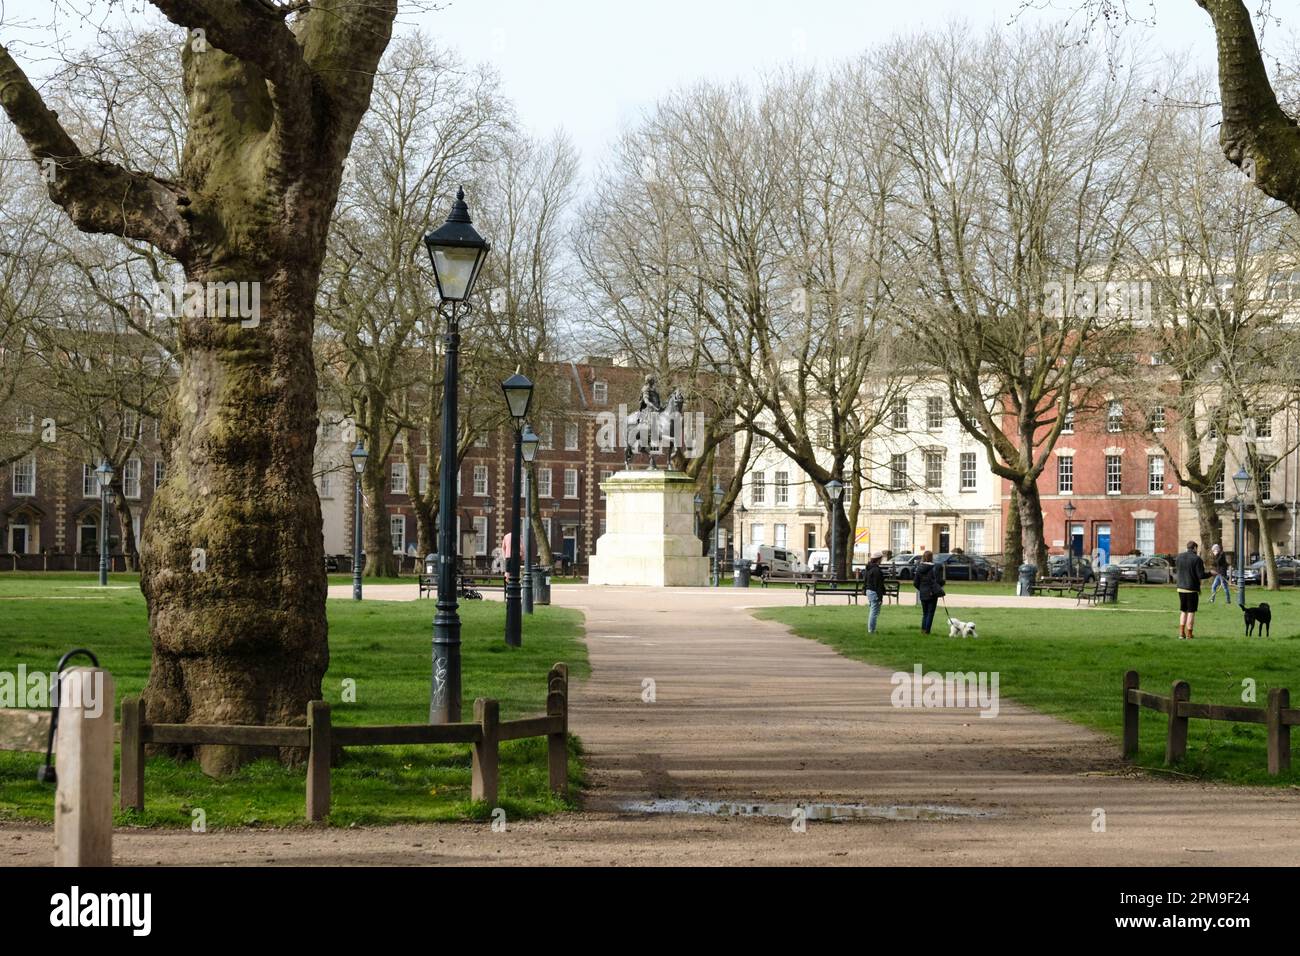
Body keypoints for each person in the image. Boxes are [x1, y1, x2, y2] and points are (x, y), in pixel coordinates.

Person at [1175, 541, 1209, 640]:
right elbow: (1201, 575)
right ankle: (1189, 634)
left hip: (1180, 588)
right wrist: (1211, 573)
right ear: (1194, 548)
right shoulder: (1197, 559)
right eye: (1196, 549)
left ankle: (1181, 633)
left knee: (1183, 611)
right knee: (1191, 611)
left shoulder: (1179, 557)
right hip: (1192, 589)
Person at [913, 550, 942, 635]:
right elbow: (939, 581)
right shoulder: (934, 568)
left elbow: (915, 583)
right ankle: (927, 631)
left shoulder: (919, 568)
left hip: (923, 593)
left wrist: (921, 589)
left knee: (925, 613)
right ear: (931, 557)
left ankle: (923, 629)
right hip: (932, 593)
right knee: (930, 613)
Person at [863, 552, 886, 635]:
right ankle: (871, 630)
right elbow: (878, 585)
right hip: (874, 591)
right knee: (874, 612)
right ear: (878, 559)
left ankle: (871, 629)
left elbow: (865, 580)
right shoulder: (876, 570)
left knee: (872, 611)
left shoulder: (868, 568)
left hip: (869, 590)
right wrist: (880, 598)